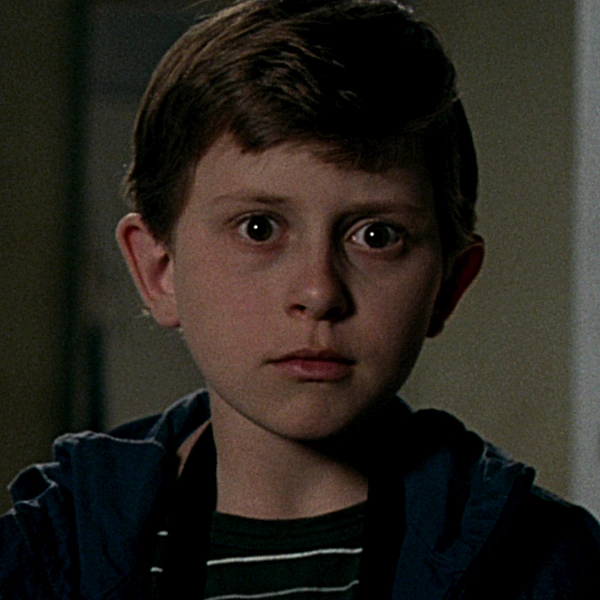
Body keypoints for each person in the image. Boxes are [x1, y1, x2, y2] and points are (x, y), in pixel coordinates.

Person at [2, 0, 600, 598]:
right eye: (258, 228)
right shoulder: (41, 564)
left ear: (449, 284)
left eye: (376, 236)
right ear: (159, 272)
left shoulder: (552, 567)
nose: (318, 292)